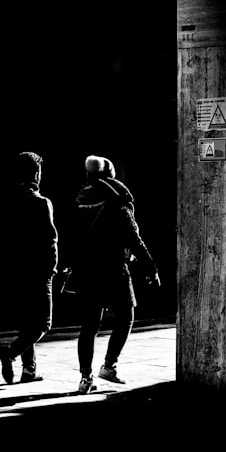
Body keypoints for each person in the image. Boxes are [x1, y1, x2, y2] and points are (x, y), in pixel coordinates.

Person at [69, 155, 159, 394]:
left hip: (88, 270)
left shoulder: (80, 199)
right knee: (126, 315)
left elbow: (71, 236)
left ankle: (85, 378)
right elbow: (133, 237)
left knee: (88, 326)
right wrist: (150, 268)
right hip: (113, 269)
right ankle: (109, 365)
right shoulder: (117, 200)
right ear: (109, 174)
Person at [0, 151, 59, 384]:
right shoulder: (41, 203)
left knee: (26, 322)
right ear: (36, 174)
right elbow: (50, 240)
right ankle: (10, 353)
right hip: (38, 272)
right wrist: (51, 269)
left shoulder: (7, 202)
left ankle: (29, 370)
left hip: (14, 271)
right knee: (43, 322)